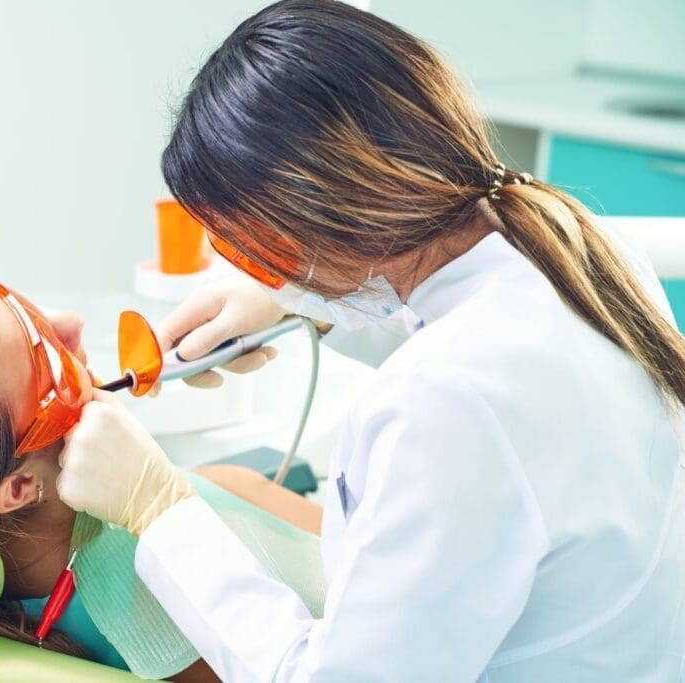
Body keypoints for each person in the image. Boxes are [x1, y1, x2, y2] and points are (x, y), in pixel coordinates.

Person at [55, 1, 685, 681]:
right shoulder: (570, 241)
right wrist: (302, 301)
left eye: (257, 251)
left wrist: (158, 511)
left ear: (310, 225)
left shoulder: (443, 401)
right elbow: (457, 330)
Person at [0, 276, 322, 682]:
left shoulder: (28, 591)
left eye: (31, 313)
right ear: (21, 487)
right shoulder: (142, 598)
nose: (71, 324)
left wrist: (314, 296)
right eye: (45, 354)